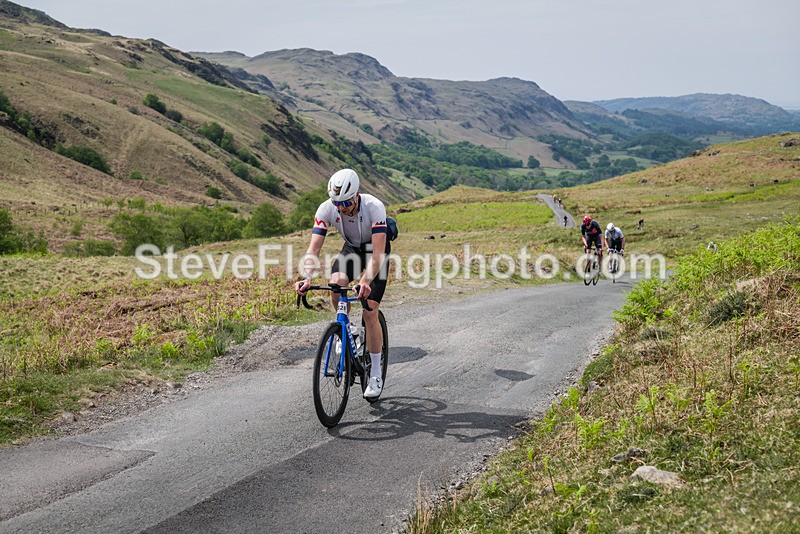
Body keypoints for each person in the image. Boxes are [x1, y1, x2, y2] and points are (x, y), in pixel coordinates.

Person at [295, 169, 390, 399]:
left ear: (356, 195)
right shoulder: (326, 208)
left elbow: (378, 254)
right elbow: (314, 248)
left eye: (345, 203)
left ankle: (375, 374)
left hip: (375, 253)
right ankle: (348, 330)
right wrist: (307, 277)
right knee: (336, 285)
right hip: (351, 250)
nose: (341, 208)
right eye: (337, 203)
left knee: (370, 311)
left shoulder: (374, 207)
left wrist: (365, 281)